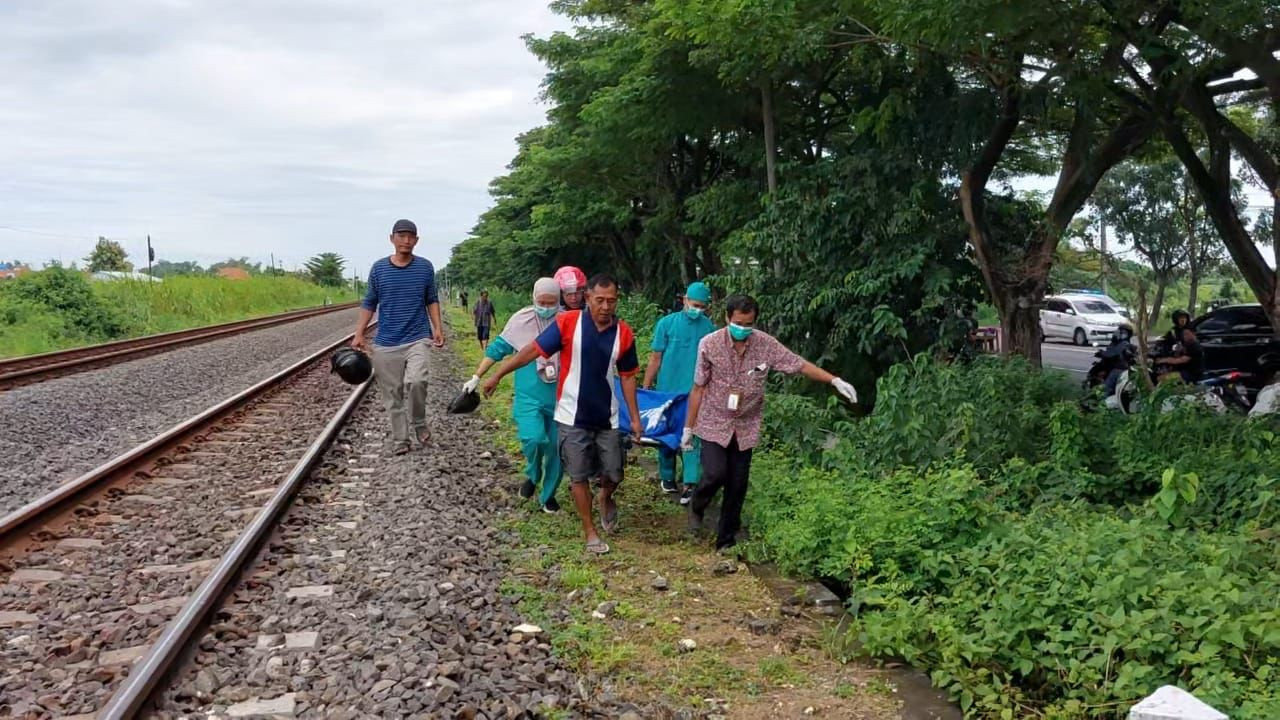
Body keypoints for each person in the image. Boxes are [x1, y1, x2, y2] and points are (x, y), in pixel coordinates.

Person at [682, 294, 856, 552]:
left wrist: (834, 380)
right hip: (713, 420)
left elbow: (798, 364)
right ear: (727, 318)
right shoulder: (709, 344)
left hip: (746, 425)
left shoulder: (765, 345)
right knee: (714, 474)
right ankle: (698, 504)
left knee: (737, 484)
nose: (743, 328)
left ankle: (726, 541)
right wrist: (688, 427)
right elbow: (698, 387)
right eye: (738, 323)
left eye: (748, 324)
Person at [483, 274, 642, 555]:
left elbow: (628, 378)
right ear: (587, 298)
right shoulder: (568, 323)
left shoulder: (624, 334)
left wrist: (636, 418)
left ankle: (606, 495)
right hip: (571, 416)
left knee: (615, 473)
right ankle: (589, 531)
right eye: (600, 300)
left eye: (612, 301)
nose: (606, 306)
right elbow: (532, 350)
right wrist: (498, 375)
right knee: (578, 476)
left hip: (608, 417)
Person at [463, 278, 564, 513]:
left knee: (558, 449)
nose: (546, 307)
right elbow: (498, 349)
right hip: (529, 394)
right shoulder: (521, 320)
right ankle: (533, 472)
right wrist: (477, 376)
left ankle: (548, 495)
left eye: (552, 303)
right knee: (534, 439)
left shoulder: (568, 320)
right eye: (542, 302)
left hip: (561, 395)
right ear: (534, 298)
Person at [352, 219, 446, 455]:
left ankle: (418, 421)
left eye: (410, 236)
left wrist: (438, 328)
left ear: (416, 240)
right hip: (386, 342)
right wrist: (359, 333)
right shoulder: (379, 269)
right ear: (392, 238)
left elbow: (431, 299)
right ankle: (400, 439)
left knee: (416, 381)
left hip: (417, 337)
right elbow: (370, 302)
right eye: (401, 235)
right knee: (392, 395)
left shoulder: (425, 267)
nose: (406, 240)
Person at [642, 281, 715, 503]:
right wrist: (646, 388)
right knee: (666, 435)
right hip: (667, 391)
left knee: (691, 436)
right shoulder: (666, 324)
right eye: (694, 304)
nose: (697, 310)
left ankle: (690, 482)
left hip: (696, 392)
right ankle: (667, 476)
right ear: (684, 300)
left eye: (702, 307)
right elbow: (656, 357)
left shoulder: (709, 328)